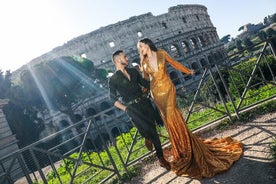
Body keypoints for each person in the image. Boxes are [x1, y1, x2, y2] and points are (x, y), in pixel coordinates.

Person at [137, 38, 243, 179]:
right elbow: (145, 82)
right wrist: (140, 93)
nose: (140, 49)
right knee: (169, 121)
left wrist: (188, 71)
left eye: (141, 46)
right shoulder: (143, 63)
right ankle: (181, 149)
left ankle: (188, 147)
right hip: (156, 94)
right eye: (139, 48)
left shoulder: (161, 53)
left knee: (173, 115)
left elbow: (174, 63)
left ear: (148, 45)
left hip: (168, 89)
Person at [108, 50, 170, 170]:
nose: (127, 58)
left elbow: (145, 84)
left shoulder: (133, 71)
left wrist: (159, 83)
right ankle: (147, 137)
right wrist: (125, 109)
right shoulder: (113, 79)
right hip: (132, 109)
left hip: (145, 103)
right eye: (124, 57)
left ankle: (161, 159)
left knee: (153, 130)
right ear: (117, 61)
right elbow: (112, 99)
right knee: (145, 130)